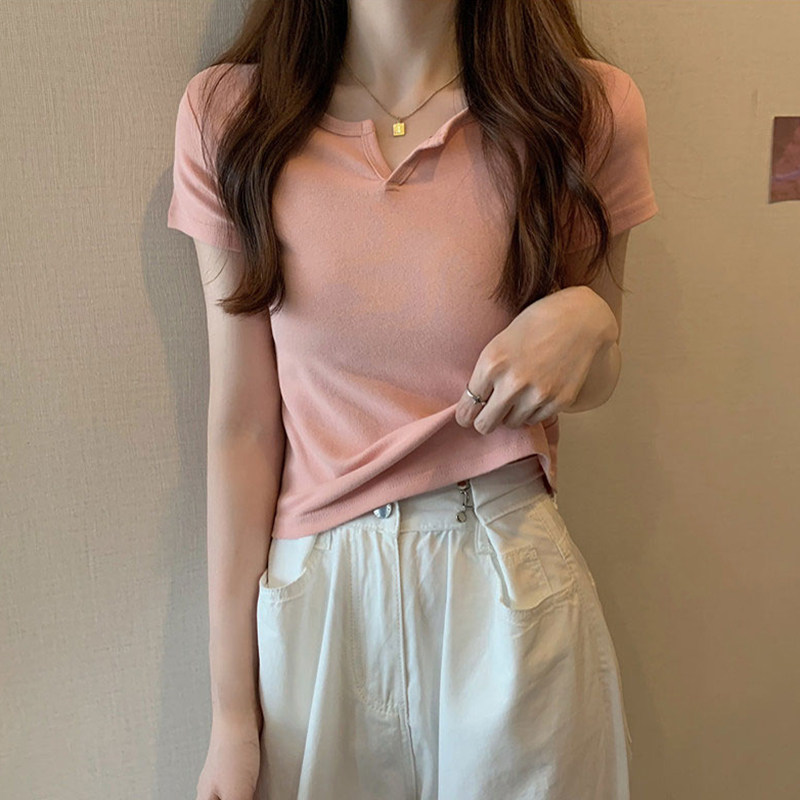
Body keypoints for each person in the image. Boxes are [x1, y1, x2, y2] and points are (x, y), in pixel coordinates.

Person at [167, 2, 658, 798]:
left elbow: (594, 378)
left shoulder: (581, 108)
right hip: (318, 597)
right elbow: (244, 429)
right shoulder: (231, 118)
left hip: (505, 574)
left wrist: (591, 317)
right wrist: (232, 718)